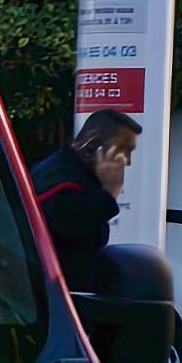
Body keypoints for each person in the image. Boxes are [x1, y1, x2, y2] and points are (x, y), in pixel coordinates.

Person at [29, 108, 139, 301]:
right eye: (123, 151)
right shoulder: (61, 181)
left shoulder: (68, 170)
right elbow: (74, 224)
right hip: (55, 301)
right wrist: (110, 191)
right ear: (93, 144)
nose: (127, 162)